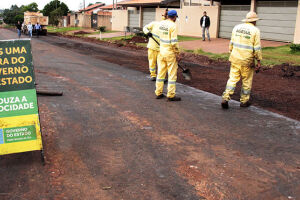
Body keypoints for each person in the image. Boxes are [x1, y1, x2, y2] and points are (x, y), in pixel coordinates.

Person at [221, 11, 262, 109]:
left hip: (235, 58)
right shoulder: (255, 31)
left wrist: (232, 52)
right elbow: (257, 48)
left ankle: (225, 98)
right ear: (255, 21)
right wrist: (259, 61)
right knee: (246, 81)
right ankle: (244, 101)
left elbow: (231, 43)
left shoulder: (236, 27)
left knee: (232, 79)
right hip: (247, 60)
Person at [155, 10, 181, 101]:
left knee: (161, 73)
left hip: (161, 51)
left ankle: (158, 93)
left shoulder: (162, 23)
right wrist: (177, 54)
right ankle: (170, 95)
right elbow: (174, 42)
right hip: (170, 53)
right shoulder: (173, 26)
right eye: (176, 18)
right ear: (174, 17)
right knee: (172, 75)